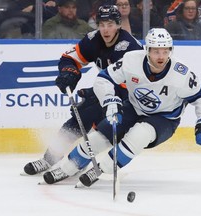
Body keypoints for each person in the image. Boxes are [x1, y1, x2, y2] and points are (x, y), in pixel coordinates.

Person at [42, 28, 201, 186]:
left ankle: (102, 169)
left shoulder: (181, 74)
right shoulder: (132, 60)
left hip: (164, 118)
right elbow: (104, 79)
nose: (161, 57)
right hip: (133, 107)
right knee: (100, 136)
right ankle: (68, 166)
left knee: (139, 135)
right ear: (147, 50)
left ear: (171, 51)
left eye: (165, 51)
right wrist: (109, 99)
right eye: (156, 51)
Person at [23, 5, 143, 178]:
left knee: (100, 130)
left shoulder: (129, 47)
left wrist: (94, 94)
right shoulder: (93, 39)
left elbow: (133, 83)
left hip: (130, 98)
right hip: (106, 91)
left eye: (110, 24)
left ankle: (77, 164)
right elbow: (69, 58)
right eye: (102, 24)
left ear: (118, 25)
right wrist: (69, 73)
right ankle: (50, 158)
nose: (105, 29)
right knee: (77, 122)